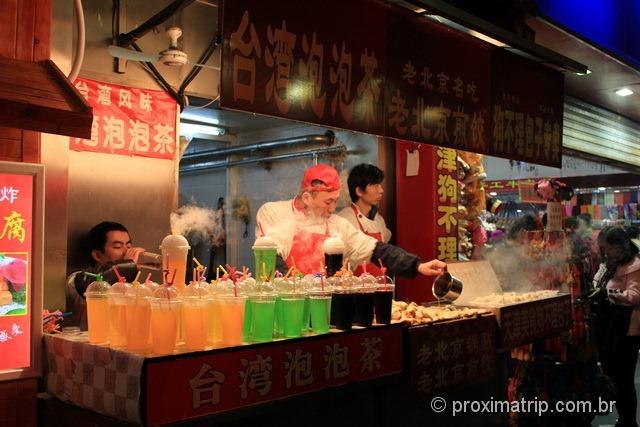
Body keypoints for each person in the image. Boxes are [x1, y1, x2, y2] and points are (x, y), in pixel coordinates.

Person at [255, 164, 446, 279]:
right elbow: (269, 262)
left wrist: (417, 266)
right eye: (327, 202)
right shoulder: (274, 212)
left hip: (327, 308)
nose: (332, 209)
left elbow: (375, 249)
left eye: (335, 202)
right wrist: (299, 288)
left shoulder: (337, 224)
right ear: (307, 198)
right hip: (287, 307)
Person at [592, 226, 640, 427]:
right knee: (612, 376)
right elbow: (596, 282)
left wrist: (610, 295)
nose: (607, 252)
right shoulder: (608, 264)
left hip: (627, 329)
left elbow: (635, 297)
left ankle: (629, 421)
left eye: (610, 248)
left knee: (624, 379)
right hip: (609, 327)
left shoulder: (635, 265)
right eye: (605, 248)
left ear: (621, 246)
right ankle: (623, 418)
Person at [65, 221, 145, 329]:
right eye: (118, 247)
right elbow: (89, 282)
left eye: (129, 246)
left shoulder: (130, 285)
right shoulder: (78, 279)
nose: (127, 252)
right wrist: (128, 265)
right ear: (97, 255)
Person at [337, 164, 391, 276]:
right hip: (356, 288)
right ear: (359, 191)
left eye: (380, 185)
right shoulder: (346, 218)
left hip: (380, 285)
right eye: (375, 185)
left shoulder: (379, 219)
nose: (381, 190)